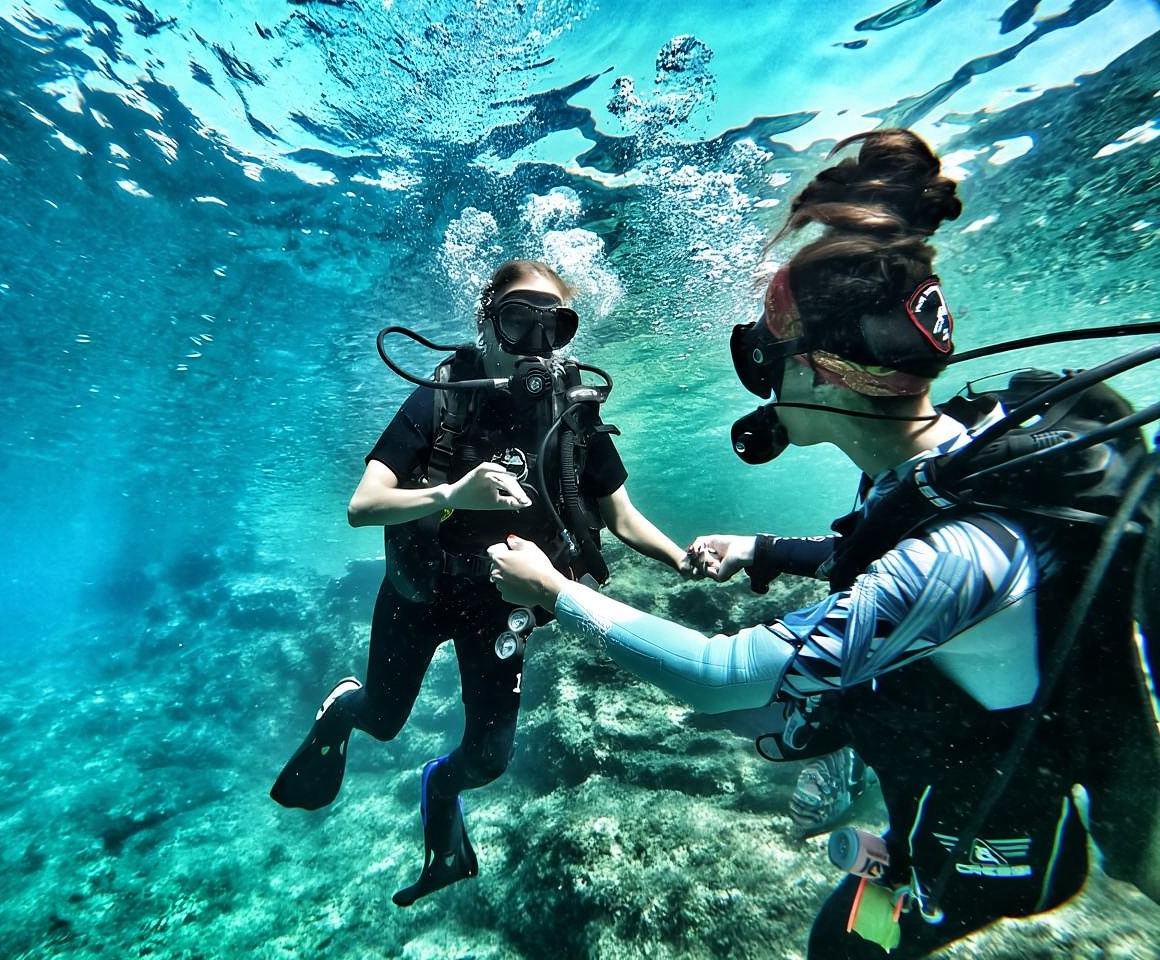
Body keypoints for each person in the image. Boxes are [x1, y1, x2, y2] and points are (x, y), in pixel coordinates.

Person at [487, 130, 1159, 957]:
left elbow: (716, 672)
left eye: (769, 362)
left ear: (818, 375)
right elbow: (876, 546)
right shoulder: (944, 459)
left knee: (838, 947)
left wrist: (553, 590)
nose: (766, 385)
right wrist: (765, 549)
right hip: (936, 767)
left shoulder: (961, 549)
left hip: (983, 851)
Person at [271, 259, 691, 907]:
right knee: (382, 720)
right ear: (486, 321)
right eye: (518, 320)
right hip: (419, 592)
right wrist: (453, 492)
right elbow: (363, 505)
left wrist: (683, 559)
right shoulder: (441, 397)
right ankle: (342, 710)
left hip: (500, 607)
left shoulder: (571, 413)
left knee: (489, 760)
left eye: (556, 326)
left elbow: (624, 517)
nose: (536, 344)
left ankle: (440, 789)